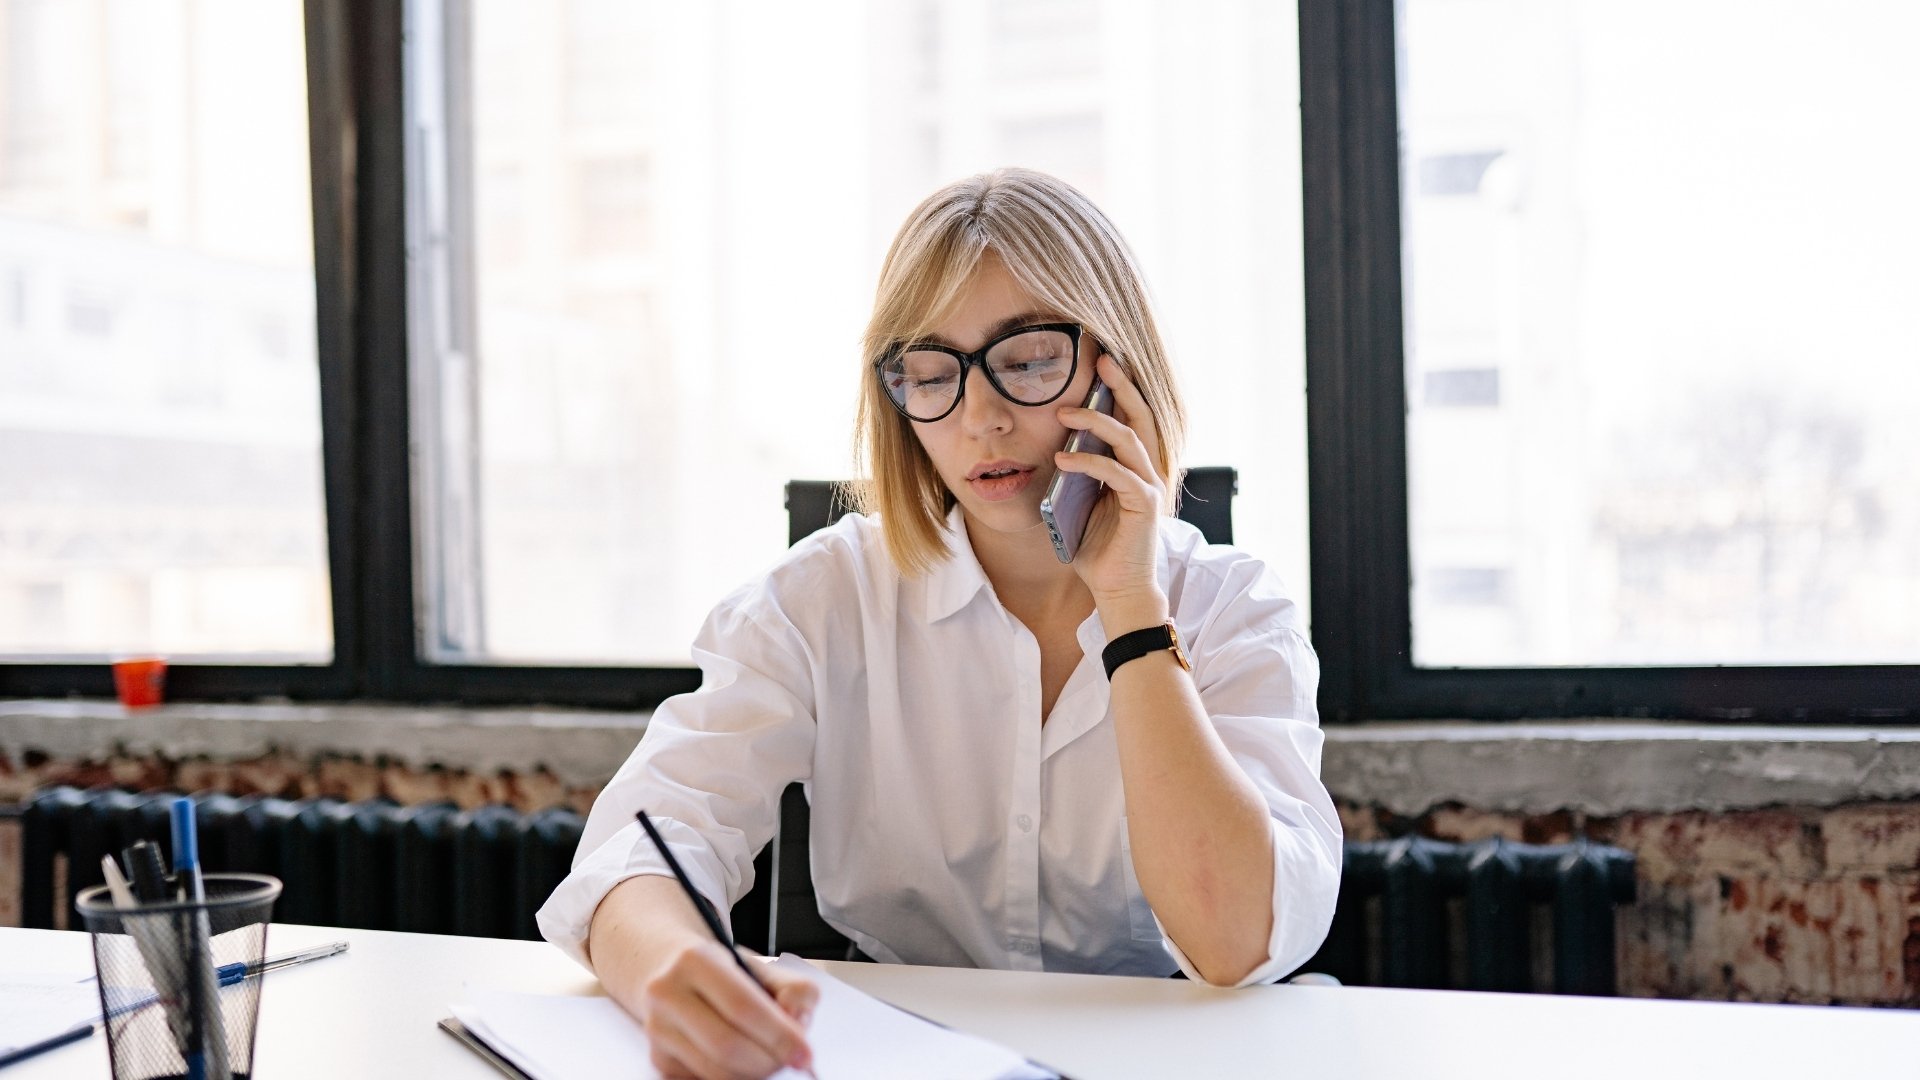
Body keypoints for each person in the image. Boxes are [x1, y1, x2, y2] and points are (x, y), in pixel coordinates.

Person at [537, 168, 1341, 1080]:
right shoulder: (822, 597)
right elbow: (642, 843)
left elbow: (1238, 940)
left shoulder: (1234, 609)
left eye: (1029, 359)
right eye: (931, 373)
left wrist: (1130, 610)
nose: (981, 418)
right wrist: (674, 971)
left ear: (1120, 373)